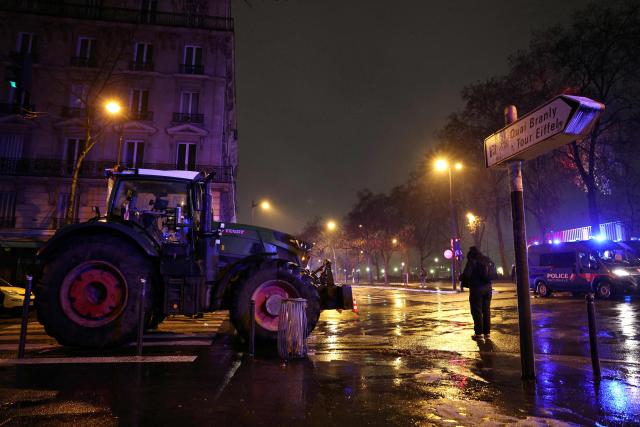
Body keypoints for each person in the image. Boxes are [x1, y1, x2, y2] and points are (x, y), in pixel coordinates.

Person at [460, 246, 493, 341]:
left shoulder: (472, 261)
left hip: (476, 289)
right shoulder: (486, 259)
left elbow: (466, 275)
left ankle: (479, 333)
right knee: (486, 311)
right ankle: (487, 333)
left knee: (477, 311)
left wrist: (461, 278)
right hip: (488, 289)